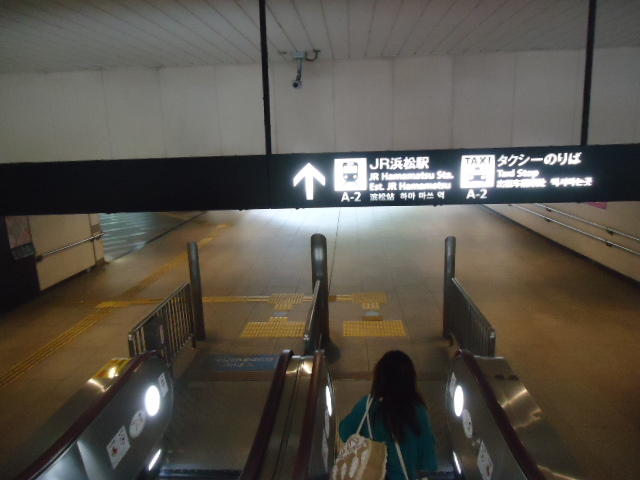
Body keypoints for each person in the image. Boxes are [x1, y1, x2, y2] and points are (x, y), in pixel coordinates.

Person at [338, 350, 437, 479]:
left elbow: (344, 432)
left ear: (380, 378)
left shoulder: (367, 406)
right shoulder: (418, 411)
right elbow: (430, 462)